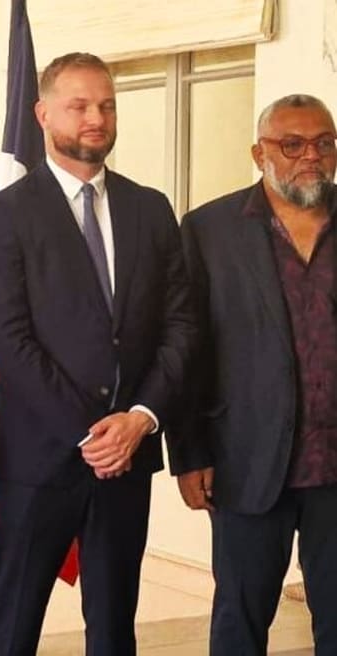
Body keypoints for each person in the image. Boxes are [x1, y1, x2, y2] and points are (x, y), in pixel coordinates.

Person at [0, 53, 196, 655]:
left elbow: (180, 325)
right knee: (12, 628)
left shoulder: (150, 209)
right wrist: (92, 434)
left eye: (107, 104)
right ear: (43, 114)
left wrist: (139, 420)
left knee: (115, 627)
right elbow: (7, 340)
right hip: (39, 460)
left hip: (129, 455)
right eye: (80, 105)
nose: (96, 117)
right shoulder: (3, 216)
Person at [172, 94, 337, 655]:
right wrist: (189, 452)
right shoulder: (208, 230)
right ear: (258, 153)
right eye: (291, 145)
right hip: (246, 462)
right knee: (240, 619)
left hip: (336, 467)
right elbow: (188, 348)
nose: (309, 156)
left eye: (323, 143)